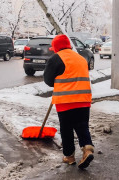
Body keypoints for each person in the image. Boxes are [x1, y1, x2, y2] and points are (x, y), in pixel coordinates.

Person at [44, 34, 94, 169]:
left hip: (65, 101)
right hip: (84, 100)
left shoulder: (56, 58)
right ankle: (87, 149)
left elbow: (48, 81)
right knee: (82, 126)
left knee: (66, 130)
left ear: (56, 47)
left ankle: (69, 156)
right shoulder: (81, 58)